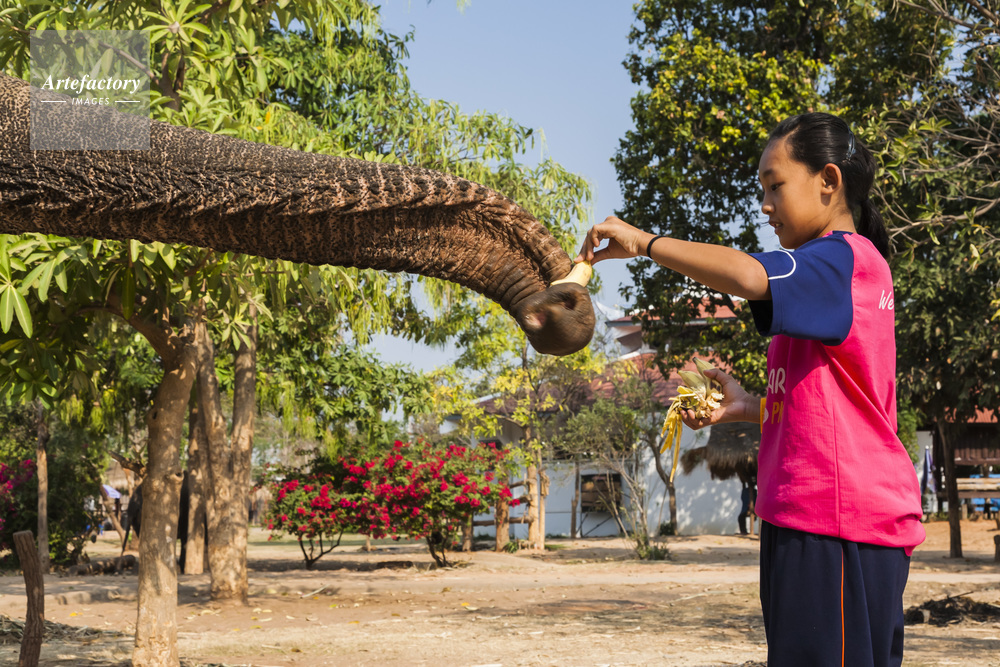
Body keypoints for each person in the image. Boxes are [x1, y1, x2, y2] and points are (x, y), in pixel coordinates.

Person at [576, 112, 925, 667]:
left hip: (836, 521)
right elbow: (834, 406)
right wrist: (749, 407)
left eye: (775, 186)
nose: (765, 206)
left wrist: (644, 242)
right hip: (813, 517)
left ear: (828, 181)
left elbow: (747, 277)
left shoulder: (841, 260)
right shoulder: (831, 275)